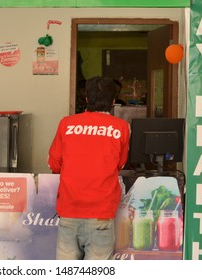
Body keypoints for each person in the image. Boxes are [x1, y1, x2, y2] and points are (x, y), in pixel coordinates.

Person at [48, 76, 130, 260]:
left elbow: (54, 164)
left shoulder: (66, 124)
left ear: (86, 99)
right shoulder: (121, 127)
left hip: (69, 211)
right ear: (113, 102)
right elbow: (120, 163)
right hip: (101, 215)